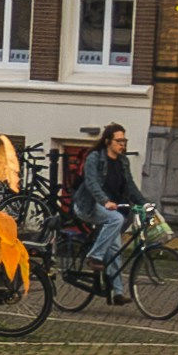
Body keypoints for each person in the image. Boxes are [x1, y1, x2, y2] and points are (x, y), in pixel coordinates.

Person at [70, 125, 148, 299]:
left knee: (115, 248)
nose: (122, 145)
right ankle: (94, 256)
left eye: (124, 141)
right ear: (107, 141)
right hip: (88, 205)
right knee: (116, 220)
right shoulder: (95, 158)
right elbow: (92, 184)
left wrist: (145, 204)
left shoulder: (122, 161)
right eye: (119, 141)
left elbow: (130, 185)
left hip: (110, 208)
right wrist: (105, 201)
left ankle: (117, 293)